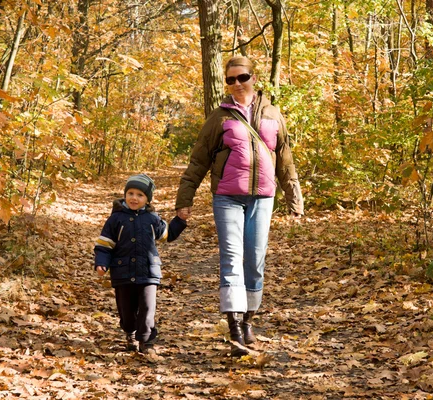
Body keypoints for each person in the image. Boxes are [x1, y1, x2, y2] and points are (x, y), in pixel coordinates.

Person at [175, 56, 304, 357]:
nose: (236, 84)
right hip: (227, 197)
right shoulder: (219, 117)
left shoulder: (273, 114)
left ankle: (248, 322)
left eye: (241, 78)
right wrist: (185, 201)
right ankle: (234, 329)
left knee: (255, 262)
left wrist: (294, 199)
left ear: (253, 78)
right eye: (230, 80)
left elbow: (284, 158)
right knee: (232, 260)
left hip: (263, 197)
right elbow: (199, 160)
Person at [94, 173, 186, 354]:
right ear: (125, 195)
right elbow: (105, 245)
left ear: (147, 199)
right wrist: (101, 263)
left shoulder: (153, 219)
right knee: (126, 311)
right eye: (131, 193)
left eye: (140, 195)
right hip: (122, 273)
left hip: (148, 272)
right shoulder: (116, 219)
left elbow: (168, 235)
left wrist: (180, 220)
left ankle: (146, 341)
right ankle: (130, 331)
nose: (134, 198)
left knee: (147, 307)